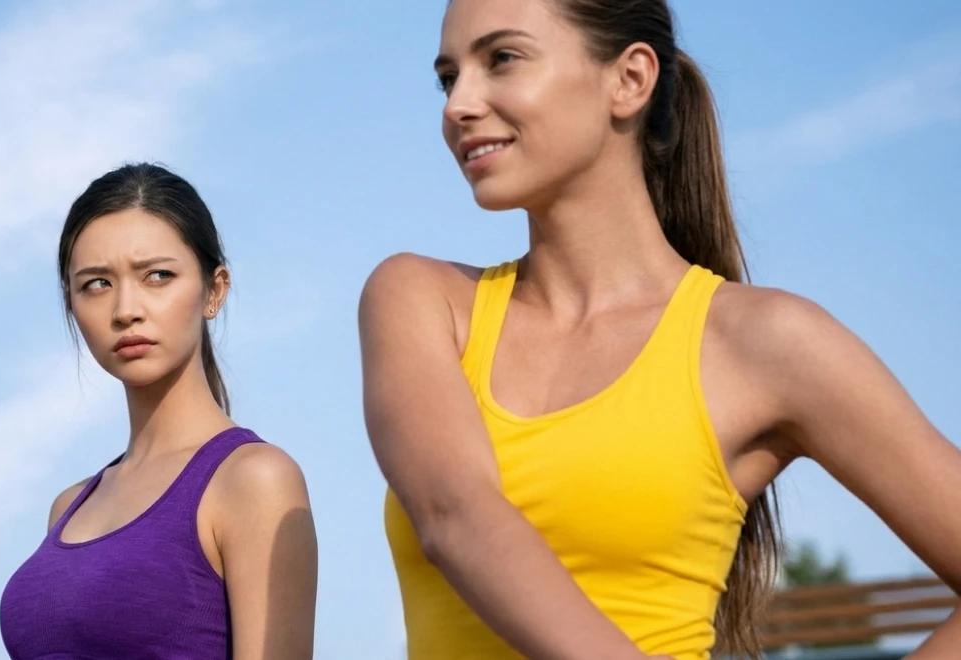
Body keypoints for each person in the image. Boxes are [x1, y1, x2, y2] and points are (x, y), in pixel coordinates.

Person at [359, 1, 961, 658]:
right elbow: (456, 516)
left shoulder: (766, 343)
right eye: (449, 77)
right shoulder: (421, 300)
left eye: (501, 58)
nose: (458, 104)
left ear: (630, 80)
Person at [0, 163, 317, 660]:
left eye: (157, 276)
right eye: (97, 284)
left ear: (214, 290)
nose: (126, 309)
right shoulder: (69, 507)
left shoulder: (253, 480)